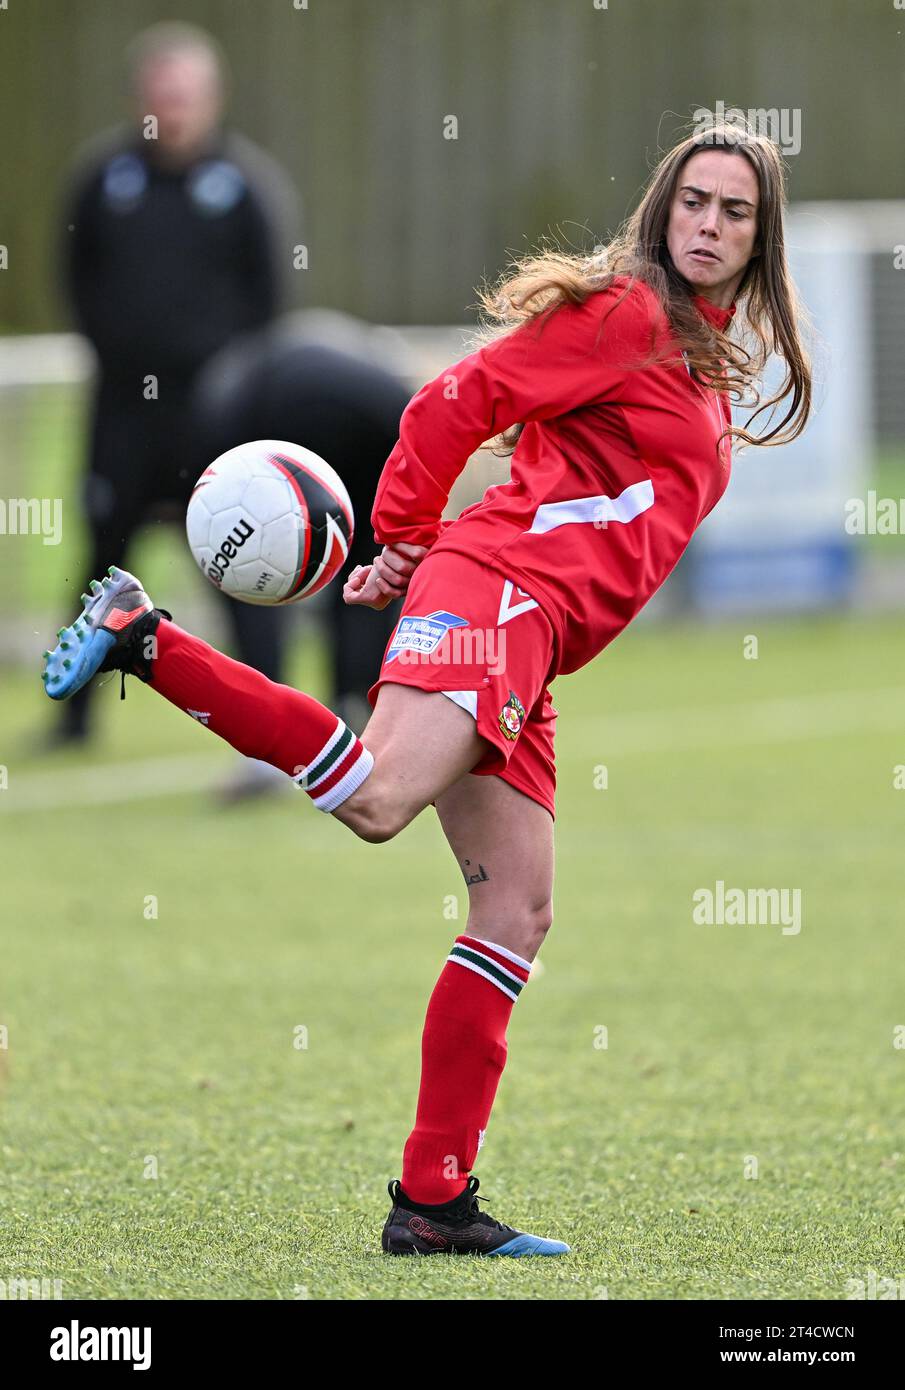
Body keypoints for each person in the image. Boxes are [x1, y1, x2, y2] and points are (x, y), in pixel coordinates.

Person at [42, 120, 811, 1256]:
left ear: (759, 236)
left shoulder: (690, 347)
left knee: (516, 908)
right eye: (691, 202)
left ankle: (432, 1202)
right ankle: (146, 638)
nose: (706, 224)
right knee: (377, 798)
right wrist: (401, 538)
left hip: (530, 636)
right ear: (662, 210)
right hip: (497, 591)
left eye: (731, 211)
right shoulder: (628, 315)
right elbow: (456, 398)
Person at [58, 21, 297, 744]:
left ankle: (275, 719)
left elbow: (268, 298)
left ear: (212, 99)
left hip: (213, 419)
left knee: (244, 564)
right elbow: (76, 276)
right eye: (162, 93)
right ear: (140, 99)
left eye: (186, 94)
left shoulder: (244, 188)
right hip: (123, 414)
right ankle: (73, 718)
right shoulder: (104, 181)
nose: (174, 108)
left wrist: (229, 381)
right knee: (101, 559)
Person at [190, 324, 413, 736]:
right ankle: (352, 705)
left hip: (318, 416)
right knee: (369, 570)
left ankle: (265, 714)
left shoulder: (225, 406)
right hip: (393, 417)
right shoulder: (250, 374)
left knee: (242, 578)